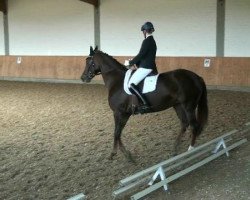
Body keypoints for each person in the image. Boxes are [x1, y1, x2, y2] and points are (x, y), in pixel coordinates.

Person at [126, 21, 158, 112]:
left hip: (146, 67)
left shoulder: (147, 41)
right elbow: (145, 56)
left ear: (144, 31)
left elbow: (141, 54)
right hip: (147, 65)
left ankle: (145, 104)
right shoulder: (152, 41)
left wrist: (130, 62)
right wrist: (136, 64)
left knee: (130, 85)